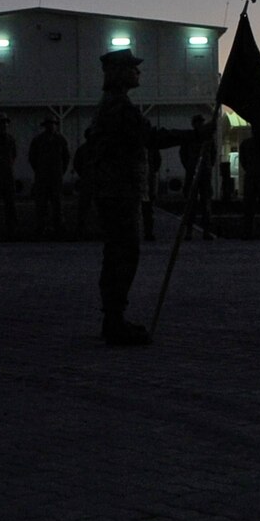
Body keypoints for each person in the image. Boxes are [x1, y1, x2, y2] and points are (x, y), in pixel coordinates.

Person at [85, 51, 206, 346]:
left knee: (118, 255)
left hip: (117, 190)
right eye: (132, 69)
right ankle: (114, 321)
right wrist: (194, 135)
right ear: (118, 74)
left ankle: (113, 318)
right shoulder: (119, 107)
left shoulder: (113, 105)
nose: (138, 73)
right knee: (122, 256)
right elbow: (151, 137)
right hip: (119, 190)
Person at [28, 116, 70, 237]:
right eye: (48, 124)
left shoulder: (60, 139)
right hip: (42, 177)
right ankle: (41, 228)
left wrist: (61, 171)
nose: (50, 126)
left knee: (57, 203)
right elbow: (32, 157)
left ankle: (59, 228)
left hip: (56, 177)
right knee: (41, 204)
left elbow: (66, 157)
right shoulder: (38, 140)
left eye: (52, 124)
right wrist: (39, 170)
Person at [178, 114, 217, 239]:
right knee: (191, 204)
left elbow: (213, 154)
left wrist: (208, 166)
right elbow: (183, 154)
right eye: (198, 122)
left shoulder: (208, 138)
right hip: (193, 172)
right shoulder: (190, 137)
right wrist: (190, 167)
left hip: (204, 173)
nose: (200, 125)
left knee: (205, 203)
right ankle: (189, 231)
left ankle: (206, 231)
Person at [238, 130, 260, 239]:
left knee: (250, 206)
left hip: (252, 176)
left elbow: (243, 160)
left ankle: (248, 232)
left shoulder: (246, 144)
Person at [72, 126, 100, 239]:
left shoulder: (98, 149)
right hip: (90, 181)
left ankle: (86, 228)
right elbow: (77, 163)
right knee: (85, 206)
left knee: (97, 206)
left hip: (96, 181)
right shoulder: (84, 149)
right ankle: (81, 228)